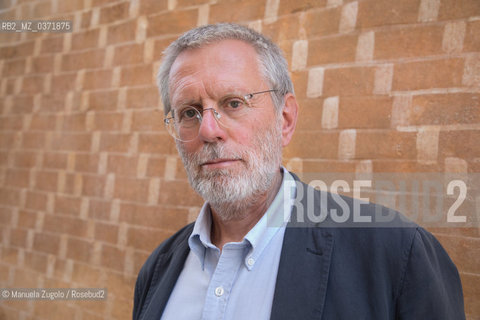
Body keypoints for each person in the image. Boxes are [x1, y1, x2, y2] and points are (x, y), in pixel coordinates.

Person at [133, 23, 465, 320]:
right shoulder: (159, 268)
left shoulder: (396, 254)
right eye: (189, 112)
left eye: (233, 103)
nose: (208, 130)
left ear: (285, 119)